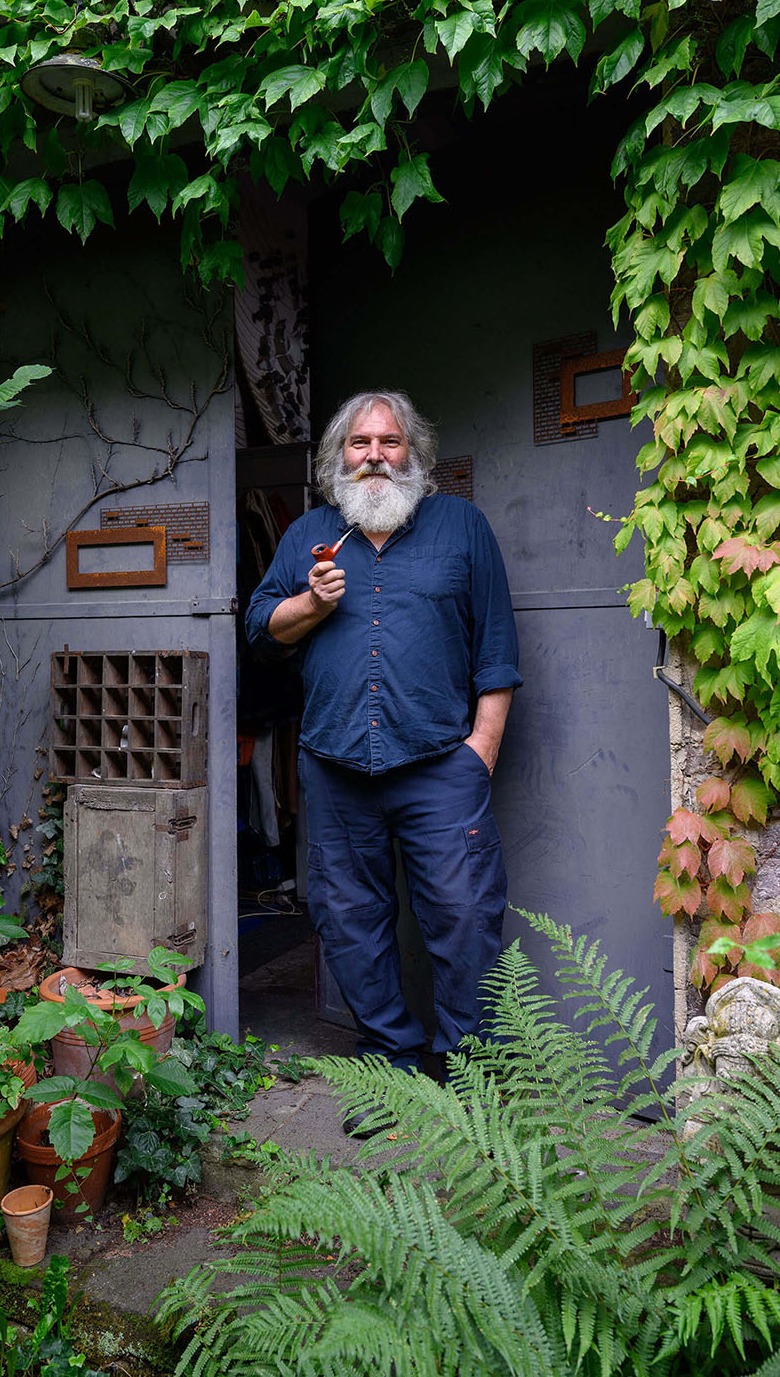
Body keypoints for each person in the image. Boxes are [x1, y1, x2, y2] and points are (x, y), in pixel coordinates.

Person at [245, 391, 521, 1112]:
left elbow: (495, 646)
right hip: (334, 766)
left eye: (389, 442)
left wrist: (481, 750)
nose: (374, 456)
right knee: (349, 924)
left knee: (463, 920)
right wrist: (311, 604)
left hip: (440, 765)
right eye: (359, 443)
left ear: (413, 453)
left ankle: (473, 1080)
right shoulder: (308, 534)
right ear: (338, 457)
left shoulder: (461, 527)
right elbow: (259, 631)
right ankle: (390, 1066)